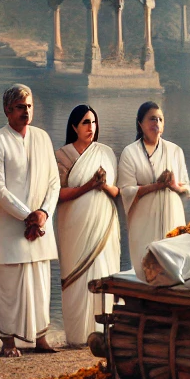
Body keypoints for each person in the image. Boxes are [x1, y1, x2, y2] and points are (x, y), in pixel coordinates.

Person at [0, 85, 61, 357]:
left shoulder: (42, 138)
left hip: (40, 225)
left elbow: (54, 182)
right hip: (11, 225)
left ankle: (41, 337)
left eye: (28, 106)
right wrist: (28, 215)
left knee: (41, 283)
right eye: (19, 107)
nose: (25, 111)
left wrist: (43, 214)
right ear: (7, 110)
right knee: (10, 286)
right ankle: (8, 341)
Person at [55, 104, 121, 348]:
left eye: (93, 122)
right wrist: (89, 186)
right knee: (76, 276)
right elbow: (59, 193)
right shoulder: (62, 155)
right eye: (85, 122)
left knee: (103, 271)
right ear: (73, 126)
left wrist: (102, 186)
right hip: (73, 224)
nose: (90, 127)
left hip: (103, 222)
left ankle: (103, 332)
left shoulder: (106, 152)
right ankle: (77, 335)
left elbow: (117, 191)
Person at [118, 102, 190, 273]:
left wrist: (174, 186)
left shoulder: (175, 151)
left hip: (172, 217)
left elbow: (186, 189)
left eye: (160, 119)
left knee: (173, 267)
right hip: (143, 221)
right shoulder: (130, 152)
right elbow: (126, 191)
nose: (156, 123)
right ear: (140, 124)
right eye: (152, 119)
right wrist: (155, 186)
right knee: (147, 267)